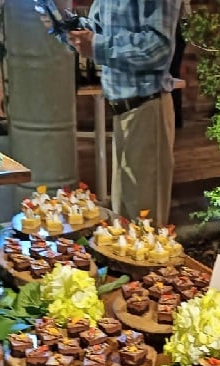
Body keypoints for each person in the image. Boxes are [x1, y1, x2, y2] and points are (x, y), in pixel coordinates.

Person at [54, 0, 182, 224]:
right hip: (124, 111)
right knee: (124, 220)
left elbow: (158, 48)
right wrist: (66, 25)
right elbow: (97, 29)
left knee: (144, 226)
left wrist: (96, 45)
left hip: (147, 109)